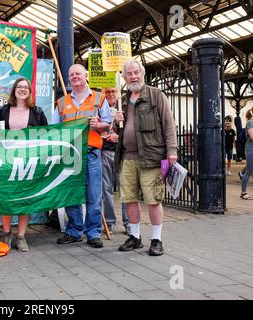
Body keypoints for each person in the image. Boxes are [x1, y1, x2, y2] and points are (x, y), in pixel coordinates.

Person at [114, 60, 177, 256]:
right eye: (129, 74)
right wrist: (116, 124)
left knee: (153, 200)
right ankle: (135, 237)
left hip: (151, 157)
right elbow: (120, 132)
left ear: (143, 74)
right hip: (127, 157)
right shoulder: (123, 100)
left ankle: (156, 240)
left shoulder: (156, 95)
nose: (133, 76)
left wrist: (172, 151)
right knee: (130, 199)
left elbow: (168, 124)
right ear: (125, 78)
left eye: (136, 72)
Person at [56, 64, 110, 248]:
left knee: (93, 195)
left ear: (85, 75)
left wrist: (99, 124)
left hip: (91, 153)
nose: (74, 77)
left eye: (78, 73)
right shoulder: (62, 102)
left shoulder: (99, 98)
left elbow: (108, 126)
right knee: (72, 194)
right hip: (70, 155)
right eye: (71, 75)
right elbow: (55, 130)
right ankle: (74, 230)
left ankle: (93, 233)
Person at [0, 78, 48, 252]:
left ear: (30, 91)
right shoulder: (4, 110)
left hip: (28, 161)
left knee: (25, 197)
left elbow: (46, 136)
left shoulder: (37, 112)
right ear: (14, 90)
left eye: (26, 87)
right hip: (6, 161)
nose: (22, 89)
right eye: (19, 87)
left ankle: (22, 236)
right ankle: (6, 233)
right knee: (6, 197)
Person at [100, 87, 129, 235]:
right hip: (104, 151)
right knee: (106, 189)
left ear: (118, 93)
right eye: (108, 91)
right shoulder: (99, 107)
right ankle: (110, 222)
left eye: (113, 91)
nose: (111, 94)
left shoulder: (125, 107)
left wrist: (119, 137)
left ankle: (128, 223)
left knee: (125, 188)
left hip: (121, 152)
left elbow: (132, 129)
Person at [240, 109, 253, 200]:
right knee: (249, 172)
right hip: (250, 149)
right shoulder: (250, 122)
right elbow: (252, 137)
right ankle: (243, 192)